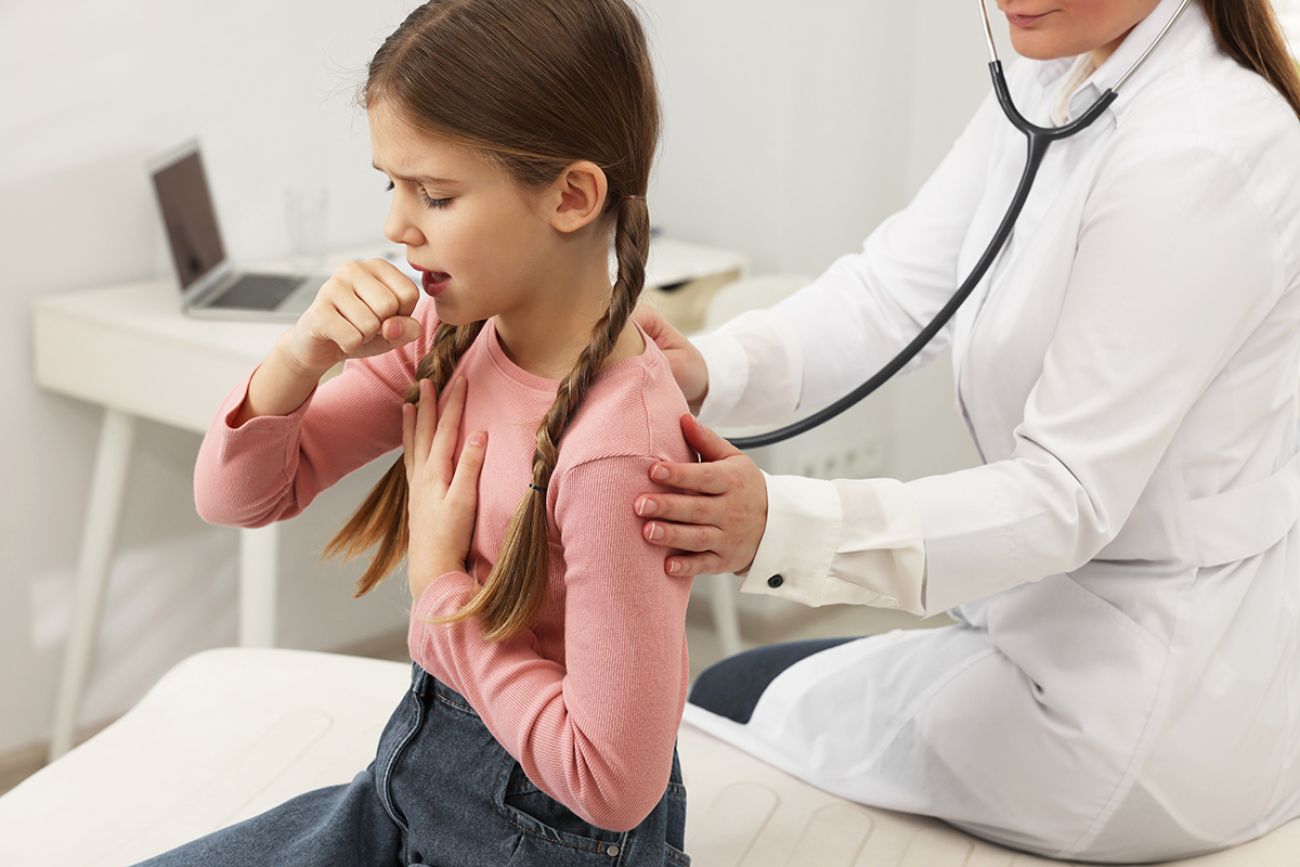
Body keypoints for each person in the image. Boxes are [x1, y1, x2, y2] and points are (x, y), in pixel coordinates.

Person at [628, 0, 1300, 862]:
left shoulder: (1204, 151)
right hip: (1051, 628)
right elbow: (896, 293)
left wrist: (778, 527)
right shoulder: (1057, 75)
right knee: (729, 695)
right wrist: (711, 370)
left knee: (724, 701)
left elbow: (1066, 493)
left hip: (1147, 705)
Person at [137, 1, 694, 865]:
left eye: (434, 194)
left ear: (572, 196)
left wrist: (440, 591)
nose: (397, 227)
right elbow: (239, 496)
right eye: (389, 185)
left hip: (544, 839)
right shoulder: (454, 334)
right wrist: (301, 356)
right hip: (417, 781)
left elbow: (613, 783)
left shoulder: (614, 451)